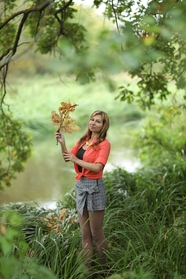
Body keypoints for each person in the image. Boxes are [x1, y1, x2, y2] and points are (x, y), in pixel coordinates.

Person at [55, 110, 111, 277]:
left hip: (94, 187)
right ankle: (88, 273)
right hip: (81, 186)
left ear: (103, 125)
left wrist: (76, 160)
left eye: (98, 121)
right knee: (85, 234)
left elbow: (98, 167)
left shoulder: (104, 144)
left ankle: (104, 271)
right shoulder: (83, 141)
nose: (93, 123)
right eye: (92, 119)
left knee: (96, 233)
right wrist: (62, 143)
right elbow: (68, 157)